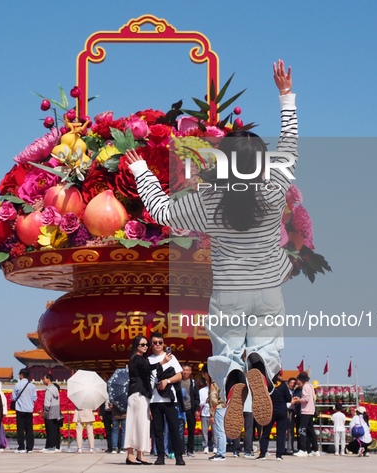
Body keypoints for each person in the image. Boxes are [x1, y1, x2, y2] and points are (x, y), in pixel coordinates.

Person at [124, 59, 297, 437]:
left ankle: (235, 377)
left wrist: (140, 170)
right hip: (267, 289)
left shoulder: (210, 199)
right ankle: (257, 367)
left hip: (228, 292)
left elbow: (162, 210)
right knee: (267, 349)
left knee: (225, 351)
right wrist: (286, 97)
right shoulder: (274, 188)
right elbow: (290, 147)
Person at [123, 334, 171, 465]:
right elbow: (147, 368)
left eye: (146, 345)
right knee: (134, 423)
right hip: (137, 394)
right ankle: (130, 455)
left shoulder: (143, 359)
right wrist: (162, 362)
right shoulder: (136, 358)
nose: (145, 347)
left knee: (143, 424)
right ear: (136, 346)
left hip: (144, 394)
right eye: (142, 345)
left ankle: (140, 454)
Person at [148, 332, 186, 466]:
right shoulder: (148, 360)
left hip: (170, 399)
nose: (157, 345)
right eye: (154, 342)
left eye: (160, 342)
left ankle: (179, 456)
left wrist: (167, 381)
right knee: (157, 430)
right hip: (154, 399)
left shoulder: (170, 357)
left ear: (163, 344)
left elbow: (179, 375)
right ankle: (160, 456)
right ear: (151, 344)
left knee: (174, 428)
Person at [292, 371, 319, 457]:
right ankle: (315, 449)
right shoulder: (311, 386)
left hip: (305, 411)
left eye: (298, 380)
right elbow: (312, 398)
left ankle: (303, 449)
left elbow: (306, 399)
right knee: (311, 431)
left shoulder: (305, 387)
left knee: (302, 430)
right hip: (311, 411)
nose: (298, 382)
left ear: (301, 380)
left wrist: (298, 400)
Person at [12, 368, 37, 453]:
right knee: (29, 429)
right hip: (29, 409)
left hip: (20, 409)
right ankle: (29, 447)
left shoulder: (17, 385)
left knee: (20, 428)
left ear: (21, 375)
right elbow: (34, 398)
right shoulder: (32, 386)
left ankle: (21, 447)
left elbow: (13, 397)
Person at [179, 364, 200, 457]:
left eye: (187, 370)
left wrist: (197, 409)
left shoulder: (193, 382)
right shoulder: (178, 382)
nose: (185, 372)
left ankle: (190, 450)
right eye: (184, 370)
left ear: (190, 372)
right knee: (180, 430)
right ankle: (181, 450)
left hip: (190, 409)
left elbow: (196, 397)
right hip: (180, 409)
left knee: (191, 430)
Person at [207, 364, 227, 461]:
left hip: (219, 407)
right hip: (224, 406)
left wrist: (212, 414)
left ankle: (221, 453)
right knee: (221, 431)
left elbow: (213, 399)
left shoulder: (214, 383)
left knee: (220, 431)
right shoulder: (224, 381)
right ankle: (220, 452)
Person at [41, 374, 61, 453]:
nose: (43, 380)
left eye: (44, 378)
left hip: (50, 413)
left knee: (49, 430)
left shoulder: (49, 390)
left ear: (48, 379)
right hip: (56, 412)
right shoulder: (55, 389)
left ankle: (50, 446)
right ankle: (56, 446)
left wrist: (45, 411)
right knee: (55, 430)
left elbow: (47, 403)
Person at [198, 373, 211, 454]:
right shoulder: (202, 391)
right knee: (204, 431)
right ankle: (205, 446)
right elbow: (200, 403)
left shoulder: (217, 390)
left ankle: (216, 446)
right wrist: (205, 401)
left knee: (216, 431)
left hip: (214, 412)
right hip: (205, 412)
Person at [285, 377, 297, 453]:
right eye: (291, 383)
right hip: (285, 410)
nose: (292, 384)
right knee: (283, 430)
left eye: (294, 383)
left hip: (292, 411)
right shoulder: (285, 391)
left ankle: (290, 448)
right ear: (288, 383)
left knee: (291, 431)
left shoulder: (296, 392)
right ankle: (282, 447)